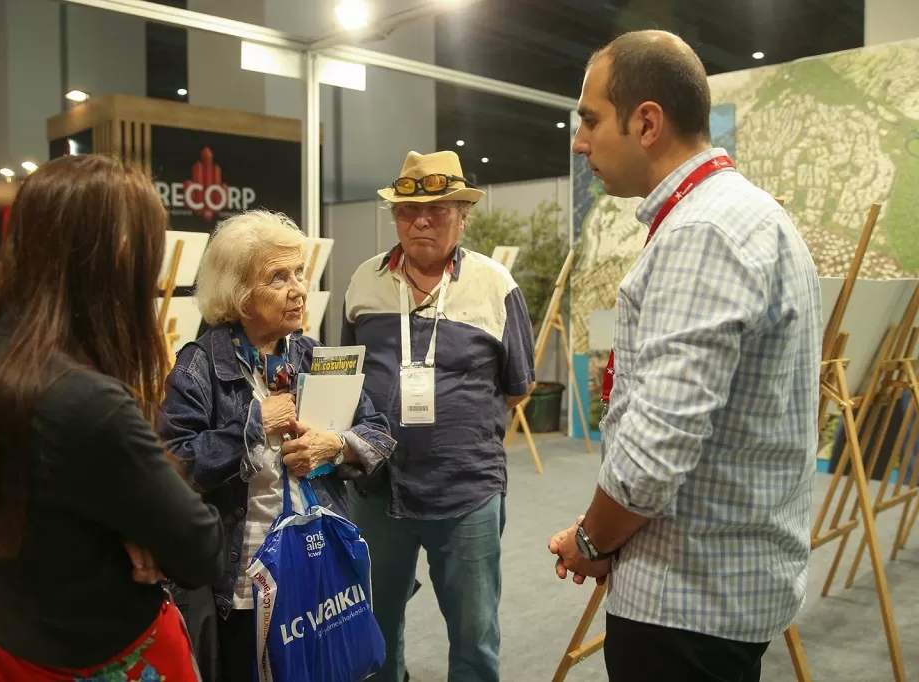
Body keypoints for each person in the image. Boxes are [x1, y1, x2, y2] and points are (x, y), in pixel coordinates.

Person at [548, 30, 823, 682]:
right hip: (715, 587)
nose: (579, 141)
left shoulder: (703, 232)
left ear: (646, 122)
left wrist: (591, 540)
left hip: (687, 602)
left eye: (590, 120)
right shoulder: (746, 216)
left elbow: (653, 452)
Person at [0, 154, 227, 682]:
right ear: (122, 253)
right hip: (118, 664)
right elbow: (201, 551)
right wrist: (144, 527)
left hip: (18, 660)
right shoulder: (86, 402)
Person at [158, 209, 396, 682]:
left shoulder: (313, 355)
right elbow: (173, 468)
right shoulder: (198, 367)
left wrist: (336, 445)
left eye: (300, 273)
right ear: (239, 296)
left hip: (316, 571)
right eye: (278, 277)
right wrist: (252, 424)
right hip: (243, 585)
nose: (299, 289)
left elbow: (380, 433)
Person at [342, 150, 536, 682]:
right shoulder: (364, 282)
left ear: (462, 213)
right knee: (374, 629)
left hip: (466, 491)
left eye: (437, 209)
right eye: (407, 211)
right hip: (379, 490)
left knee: (474, 638)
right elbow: (347, 378)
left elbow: (518, 389)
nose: (420, 220)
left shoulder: (496, 286)